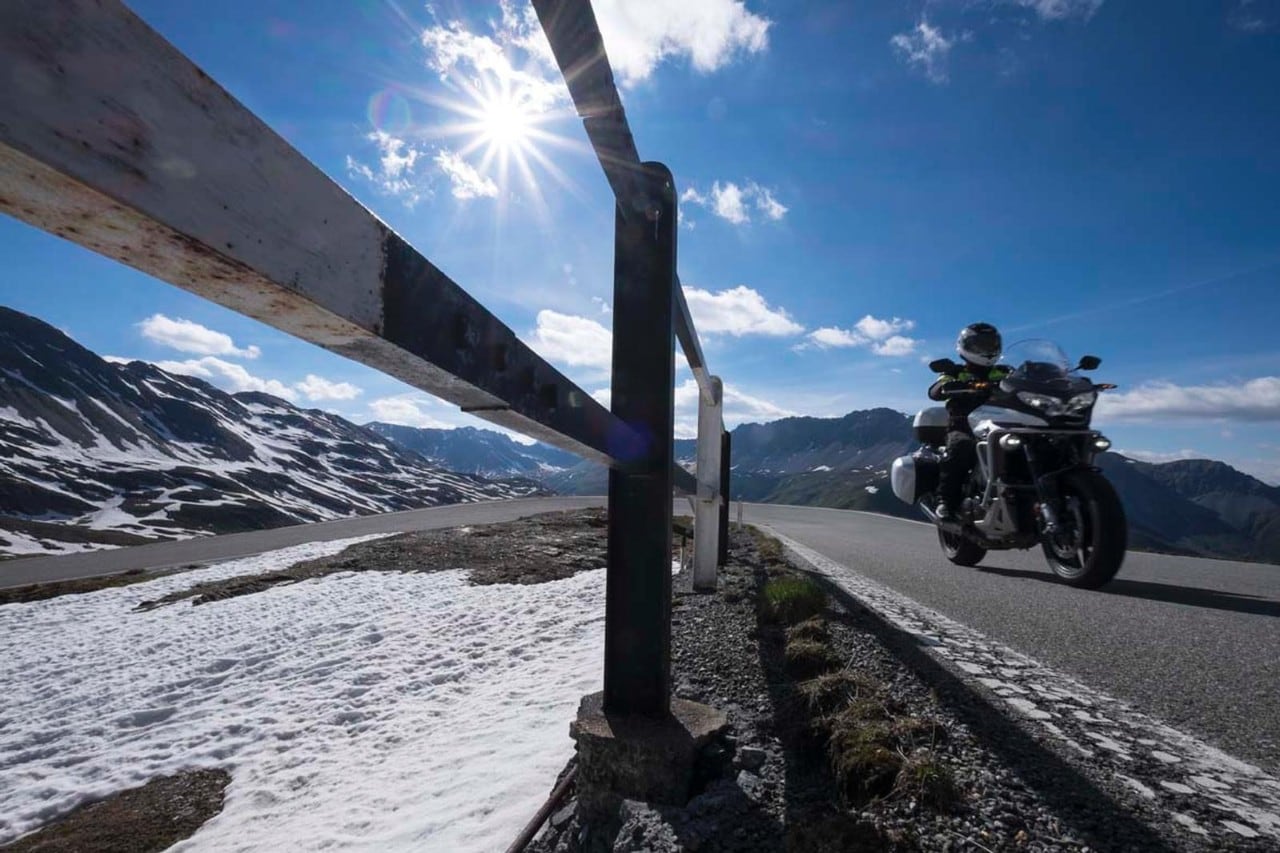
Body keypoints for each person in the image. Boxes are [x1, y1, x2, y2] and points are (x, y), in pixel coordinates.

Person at [928, 322, 1010, 521]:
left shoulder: (1005, 371)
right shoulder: (955, 372)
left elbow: (1025, 382)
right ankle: (945, 502)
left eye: (991, 344)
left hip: (1003, 424)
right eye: (981, 345)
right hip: (964, 425)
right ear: (966, 346)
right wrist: (948, 386)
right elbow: (935, 390)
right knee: (961, 447)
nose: (987, 350)